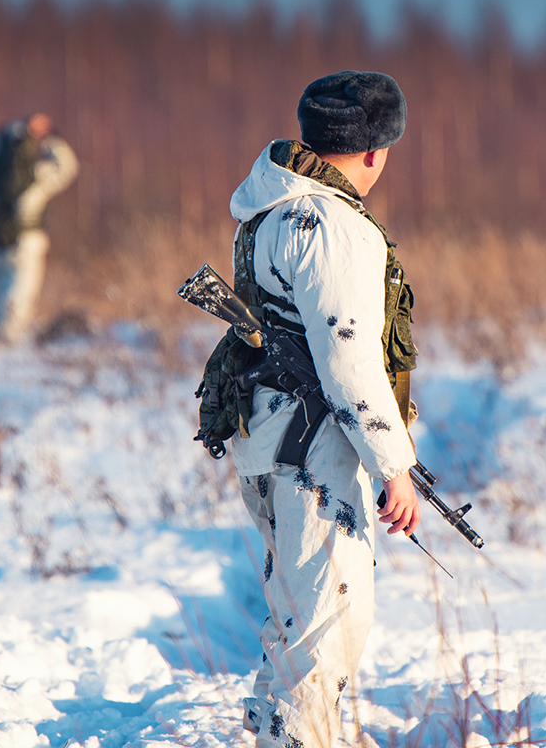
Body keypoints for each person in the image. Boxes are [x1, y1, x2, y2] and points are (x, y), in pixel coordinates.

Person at [227, 71, 421, 748]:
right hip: (312, 455)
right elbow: (350, 359)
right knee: (325, 635)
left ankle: (278, 734)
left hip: (268, 441)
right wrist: (394, 465)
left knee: (294, 623)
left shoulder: (269, 212)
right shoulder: (333, 227)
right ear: (374, 150)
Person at [0, 113, 78, 343]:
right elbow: (68, 167)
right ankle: (10, 343)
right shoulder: (36, 175)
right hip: (27, 240)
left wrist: (16, 129)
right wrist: (49, 137)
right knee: (20, 297)